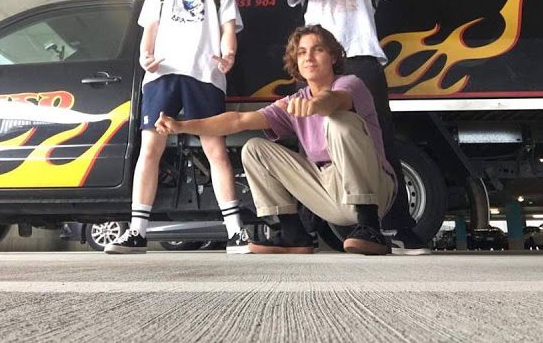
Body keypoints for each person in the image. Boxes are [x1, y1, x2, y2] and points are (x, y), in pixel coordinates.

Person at [259, 0, 429, 255]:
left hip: (360, 63)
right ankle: (305, 229)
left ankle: (397, 227)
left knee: (379, 141)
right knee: (310, 143)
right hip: (317, 66)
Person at [156, 25, 395, 255]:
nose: (309, 57)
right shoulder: (294, 101)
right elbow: (238, 120)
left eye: (318, 49)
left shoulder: (350, 83)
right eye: (301, 52)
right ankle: (292, 234)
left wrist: (315, 105)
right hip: (328, 192)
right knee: (254, 149)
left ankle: (370, 227)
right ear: (296, 62)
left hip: (375, 190)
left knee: (340, 121)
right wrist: (182, 126)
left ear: (333, 56)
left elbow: (335, 100)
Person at [105, 0, 249, 254]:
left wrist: (229, 55)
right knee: (150, 150)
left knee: (215, 151)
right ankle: (137, 232)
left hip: (205, 75)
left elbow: (229, 29)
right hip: (162, 75)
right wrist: (145, 57)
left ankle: (236, 231)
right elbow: (149, 32)